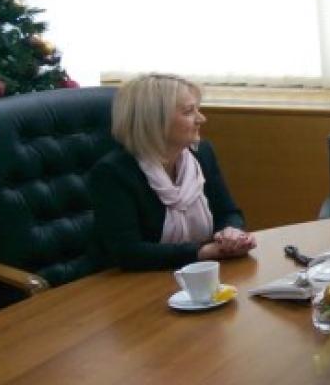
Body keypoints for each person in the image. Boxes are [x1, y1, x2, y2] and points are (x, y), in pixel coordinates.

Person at [90, 73, 256, 270]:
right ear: (154, 120)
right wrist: (203, 252)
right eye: (189, 112)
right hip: (138, 280)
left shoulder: (202, 153)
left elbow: (228, 212)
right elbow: (127, 252)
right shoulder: (112, 172)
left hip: (199, 272)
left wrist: (231, 233)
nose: (201, 119)